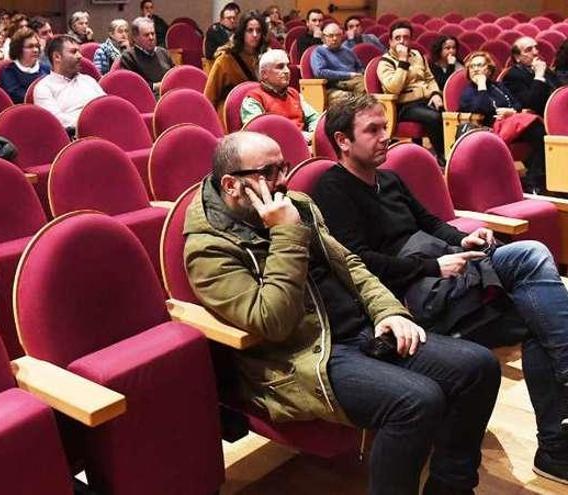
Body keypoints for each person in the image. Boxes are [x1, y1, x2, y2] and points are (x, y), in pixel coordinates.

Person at [184, 127, 500, 495]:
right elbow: (272, 322)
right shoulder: (208, 248)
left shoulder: (298, 204)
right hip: (302, 357)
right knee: (417, 401)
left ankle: (451, 487)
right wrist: (285, 233)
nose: (283, 181)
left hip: (359, 331)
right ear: (231, 185)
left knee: (479, 366)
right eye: (268, 173)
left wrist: (387, 311)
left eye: (284, 167)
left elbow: (348, 263)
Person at [313, 94, 568, 487]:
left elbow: (431, 224)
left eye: (386, 127)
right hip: (409, 294)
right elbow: (357, 262)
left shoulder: (390, 178)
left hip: (441, 275)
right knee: (530, 254)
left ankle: (553, 449)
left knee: (537, 319)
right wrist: (432, 265)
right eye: (373, 130)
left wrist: (464, 239)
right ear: (342, 141)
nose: (386, 137)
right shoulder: (330, 189)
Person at [460, 50, 547, 193]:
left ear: (489, 69)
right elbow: (481, 110)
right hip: (486, 129)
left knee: (541, 135)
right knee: (536, 129)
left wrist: (511, 112)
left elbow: (517, 103)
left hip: (510, 124)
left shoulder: (498, 87)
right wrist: (481, 85)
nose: (476, 69)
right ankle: (533, 181)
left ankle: (533, 179)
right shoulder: (468, 92)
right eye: (472, 66)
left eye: (480, 65)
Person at [377, 21, 444, 164]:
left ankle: (450, 152)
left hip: (426, 100)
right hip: (403, 105)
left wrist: (435, 94)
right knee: (434, 117)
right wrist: (402, 61)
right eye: (397, 38)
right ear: (390, 41)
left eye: (406, 37)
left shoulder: (417, 55)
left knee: (448, 112)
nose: (402, 41)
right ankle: (443, 157)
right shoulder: (385, 62)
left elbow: (429, 78)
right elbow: (393, 88)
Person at [241, 48, 319, 142]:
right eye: (280, 67)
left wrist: (312, 135)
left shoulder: (294, 93)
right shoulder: (254, 99)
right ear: (264, 74)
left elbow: (314, 117)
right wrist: (297, 136)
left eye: (287, 65)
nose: (287, 71)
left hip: (304, 143)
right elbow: (257, 133)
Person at [33, 35, 104, 134]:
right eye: (74, 52)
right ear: (57, 57)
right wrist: (92, 124)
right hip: (73, 139)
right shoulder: (44, 87)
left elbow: (106, 106)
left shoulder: (88, 80)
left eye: (79, 51)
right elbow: (56, 121)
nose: (80, 56)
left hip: (104, 132)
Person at [204, 10, 267, 114]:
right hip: (230, 113)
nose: (255, 35)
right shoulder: (225, 59)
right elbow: (210, 96)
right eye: (250, 30)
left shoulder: (265, 56)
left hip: (258, 111)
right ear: (242, 33)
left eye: (258, 31)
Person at [503, 36, 560, 116]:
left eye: (536, 48)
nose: (535, 52)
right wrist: (539, 76)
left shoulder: (542, 67)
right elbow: (531, 105)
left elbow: (559, 88)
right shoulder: (513, 76)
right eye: (529, 50)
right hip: (541, 118)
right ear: (517, 57)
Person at [311, 22, 365, 102]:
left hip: (354, 81)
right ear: (323, 37)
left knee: (367, 83)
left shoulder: (347, 50)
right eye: (331, 36)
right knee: (362, 86)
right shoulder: (319, 51)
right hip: (334, 85)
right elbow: (320, 72)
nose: (335, 38)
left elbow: (360, 67)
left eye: (338, 35)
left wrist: (359, 74)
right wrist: (349, 75)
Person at [120, 16, 175, 94]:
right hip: (147, 98)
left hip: (169, 94)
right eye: (146, 35)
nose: (151, 38)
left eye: (153, 33)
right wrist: (156, 86)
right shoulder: (129, 57)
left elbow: (175, 75)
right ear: (135, 38)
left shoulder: (163, 52)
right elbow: (131, 86)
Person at [0, 27, 50, 103]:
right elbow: (18, 96)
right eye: (30, 47)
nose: (35, 50)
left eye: (37, 46)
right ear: (18, 49)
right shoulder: (9, 72)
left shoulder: (46, 69)